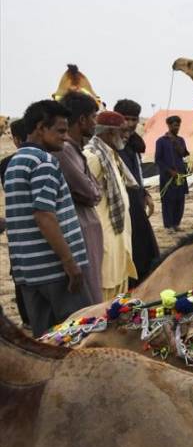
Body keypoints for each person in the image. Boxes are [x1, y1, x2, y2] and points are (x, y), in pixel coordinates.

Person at [3, 100, 91, 336]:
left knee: (45, 341)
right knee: (78, 336)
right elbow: (44, 216)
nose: (65, 137)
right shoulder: (44, 162)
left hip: (28, 272)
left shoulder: (15, 163)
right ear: (41, 128)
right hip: (55, 272)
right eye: (60, 131)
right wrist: (70, 264)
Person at [57, 91, 105, 304]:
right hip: (80, 229)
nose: (96, 122)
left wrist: (93, 190)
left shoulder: (76, 150)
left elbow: (93, 189)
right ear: (82, 119)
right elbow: (91, 191)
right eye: (93, 117)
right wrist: (93, 190)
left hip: (88, 226)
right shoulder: (64, 151)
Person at [85, 111, 138, 299]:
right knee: (106, 285)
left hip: (118, 232)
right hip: (104, 234)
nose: (127, 134)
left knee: (119, 285)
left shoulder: (111, 155)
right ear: (108, 132)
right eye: (122, 131)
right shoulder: (92, 156)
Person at [114, 99, 159, 284]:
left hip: (135, 201)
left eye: (134, 119)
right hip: (120, 204)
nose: (130, 124)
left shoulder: (132, 144)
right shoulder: (110, 144)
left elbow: (135, 172)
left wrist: (145, 193)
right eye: (126, 119)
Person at [1, 117, 34, 329]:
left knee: (20, 273)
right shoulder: (44, 159)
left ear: (14, 138)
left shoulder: (6, 164)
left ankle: (27, 320)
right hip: (40, 227)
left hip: (17, 229)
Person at [155, 115, 189, 233]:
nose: (177, 127)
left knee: (180, 200)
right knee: (168, 201)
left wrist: (175, 141)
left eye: (178, 125)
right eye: (174, 125)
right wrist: (169, 171)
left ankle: (176, 224)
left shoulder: (181, 140)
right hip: (167, 177)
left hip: (180, 176)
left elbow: (184, 154)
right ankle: (168, 226)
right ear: (169, 126)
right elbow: (158, 159)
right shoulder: (161, 141)